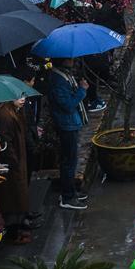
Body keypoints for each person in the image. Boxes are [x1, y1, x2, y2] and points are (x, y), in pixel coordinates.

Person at [47, 58, 88, 210]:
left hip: (70, 123)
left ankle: (70, 191)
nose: (73, 60)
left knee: (70, 160)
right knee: (69, 162)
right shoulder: (58, 80)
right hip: (67, 125)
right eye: (69, 58)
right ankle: (67, 196)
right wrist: (82, 90)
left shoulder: (65, 76)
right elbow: (68, 105)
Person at [0, 96, 31, 243]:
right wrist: (14, 161)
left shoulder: (13, 111)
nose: (22, 99)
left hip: (17, 161)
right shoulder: (6, 116)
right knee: (13, 199)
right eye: (18, 97)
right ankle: (13, 233)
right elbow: (6, 142)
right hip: (13, 163)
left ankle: (16, 228)